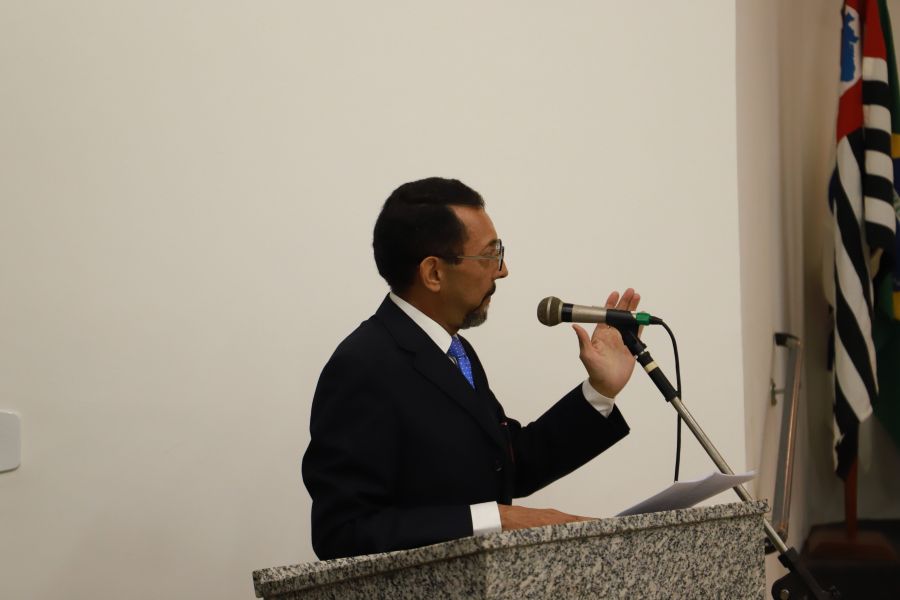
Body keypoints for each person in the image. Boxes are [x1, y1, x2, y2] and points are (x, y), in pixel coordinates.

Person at [301, 177, 641, 560]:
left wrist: (600, 391)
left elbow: (505, 465)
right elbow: (343, 531)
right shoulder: (363, 365)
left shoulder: (457, 353)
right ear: (433, 273)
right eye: (489, 255)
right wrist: (497, 520)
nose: (502, 270)